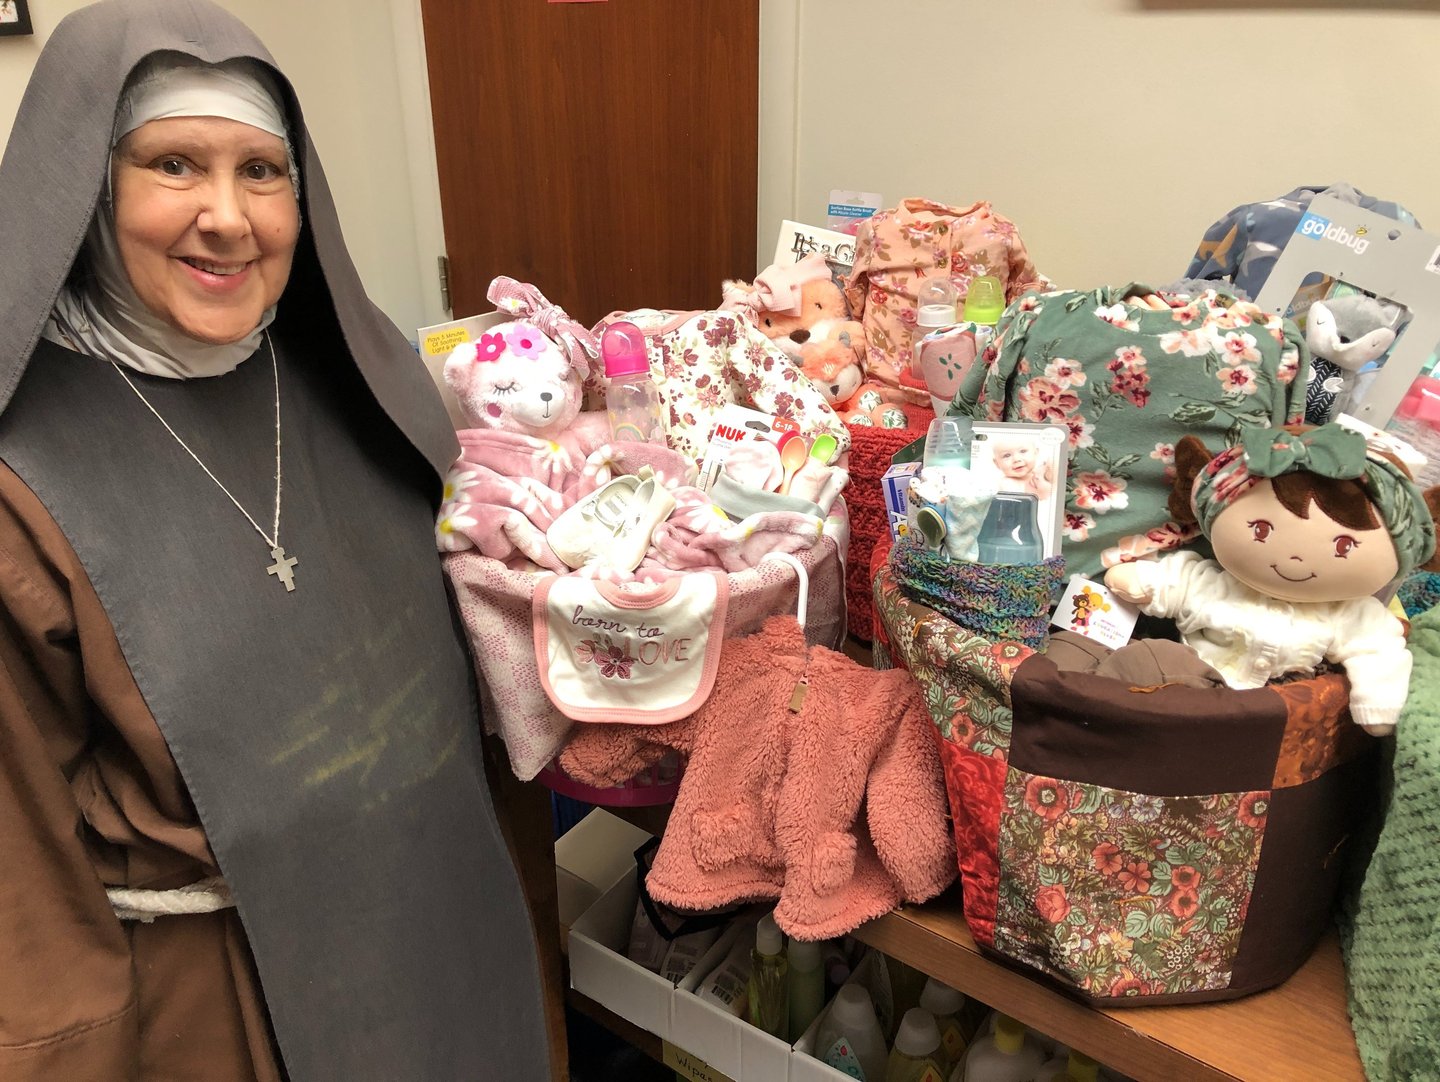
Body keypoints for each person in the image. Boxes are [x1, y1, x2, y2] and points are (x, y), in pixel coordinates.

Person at [0, 2, 548, 1079]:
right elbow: (27, 897)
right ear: (84, 186)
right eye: (172, 164)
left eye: (263, 170)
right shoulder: (24, 491)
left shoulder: (351, 384)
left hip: (441, 925)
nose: (228, 217)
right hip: (234, 1003)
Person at [989, 435, 1053, 499]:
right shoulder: (1007, 484)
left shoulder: (1040, 474)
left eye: (1023, 451)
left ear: (1035, 453)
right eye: (1007, 455)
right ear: (997, 463)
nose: (1017, 459)